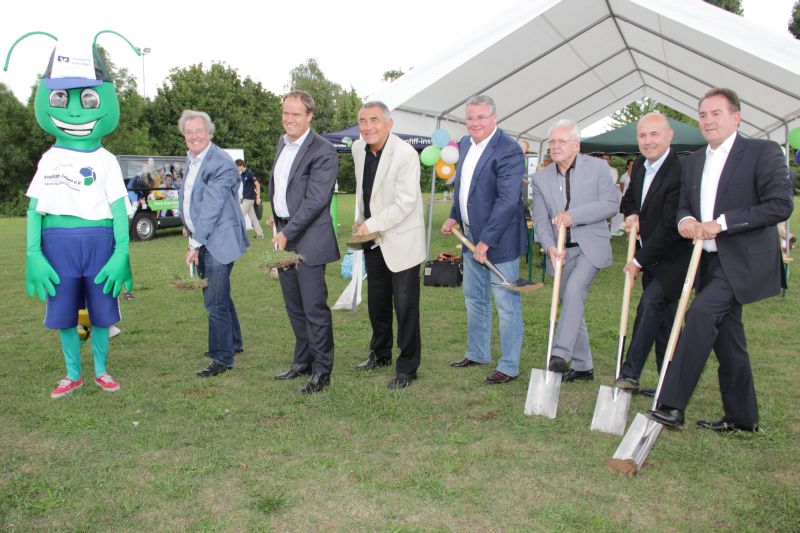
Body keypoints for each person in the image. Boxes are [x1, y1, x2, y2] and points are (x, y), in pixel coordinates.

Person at [648, 88, 793, 432]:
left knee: (699, 315)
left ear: (736, 117)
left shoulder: (763, 152)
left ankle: (671, 404)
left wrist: (723, 223)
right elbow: (684, 205)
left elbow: (779, 205)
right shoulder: (694, 160)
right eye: (703, 114)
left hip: (742, 261)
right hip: (708, 262)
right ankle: (743, 419)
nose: (708, 120)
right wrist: (687, 223)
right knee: (729, 339)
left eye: (716, 113)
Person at [441, 94, 528, 385]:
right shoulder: (464, 144)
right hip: (470, 237)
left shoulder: (509, 150)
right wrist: (454, 215)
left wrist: (486, 240)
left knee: (506, 303)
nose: (475, 123)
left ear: (494, 117)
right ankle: (478, 352)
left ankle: (509, 365)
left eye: (481, 117)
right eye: (470, 118)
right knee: (474, 299)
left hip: (499, 241)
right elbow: (462, 189)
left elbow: (507, 201)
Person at [530, 119, 620, 382]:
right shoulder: (541, 178)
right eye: (552, 142)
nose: (555, 146)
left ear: (576, 145)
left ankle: (559, 354)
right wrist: (548, 246)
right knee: (570, 303)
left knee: (572, 292)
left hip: (589, 246)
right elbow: (540, 218)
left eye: (562, 141)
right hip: (560, 251)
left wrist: (574, 215)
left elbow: (611, 204)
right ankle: (583, 366)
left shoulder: (599, 168)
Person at [614, 113, 692, 396]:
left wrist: (637, 261)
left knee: (649, 304)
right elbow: (630, 200)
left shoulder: (680, 170)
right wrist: (632, 214)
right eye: (643, 135)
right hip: (652, 257)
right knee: (666, 322)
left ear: (669, 136)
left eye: (654, 134)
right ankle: (668, 384)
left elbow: (671, 225)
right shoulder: (640, 168)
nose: (648, 141)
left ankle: (630, 373)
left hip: (675, 258)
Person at [351, 101, 426, 390]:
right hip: (373, 240)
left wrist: (372, 223)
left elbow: (405, 202)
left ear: (389, 124)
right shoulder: (359, 149)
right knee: (377, 302)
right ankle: (379, 353)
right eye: (362, 121)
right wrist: (361, 221)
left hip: (402, 239)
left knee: (405, 306)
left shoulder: (405, 154)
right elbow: (364, 191)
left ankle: (407, 366)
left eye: (374, 120)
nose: (368, 126)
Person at [270, 90, 339, 394]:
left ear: (309, 116)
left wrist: (287, 232)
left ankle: (322, 371)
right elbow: (282, 187)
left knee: (314, 308)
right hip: (285, 235)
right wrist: (277, 218)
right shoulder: (282, 144)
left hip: (308, 239)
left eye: (296, 114)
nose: (290, 119)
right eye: (286, 113)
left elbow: (315, 201)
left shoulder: (323, 150)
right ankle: (304, 361)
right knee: (294, 305)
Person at [178, 110, 249, 378]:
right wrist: (189, 226)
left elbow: (211, 208)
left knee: (214, 301)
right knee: (220, 294)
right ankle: (234, 342)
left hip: (218, 240)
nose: (194, 136)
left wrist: (194, 243)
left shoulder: (220, 162)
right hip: (203, 237)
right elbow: (189, 198)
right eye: (189, 132)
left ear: (210, 133)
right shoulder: (193, 159)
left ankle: (221, 357)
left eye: (199, 131)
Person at [236, 159, 264, 239]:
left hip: (250, 199)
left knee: (239, 215)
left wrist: (258, 197)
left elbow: (257, 184)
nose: (236, 169)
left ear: (241, 165)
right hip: (246, 199)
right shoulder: (242, 175)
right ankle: (260, 234)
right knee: (253, 218)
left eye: (237, 167)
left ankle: (237, 235)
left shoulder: (249, 173)